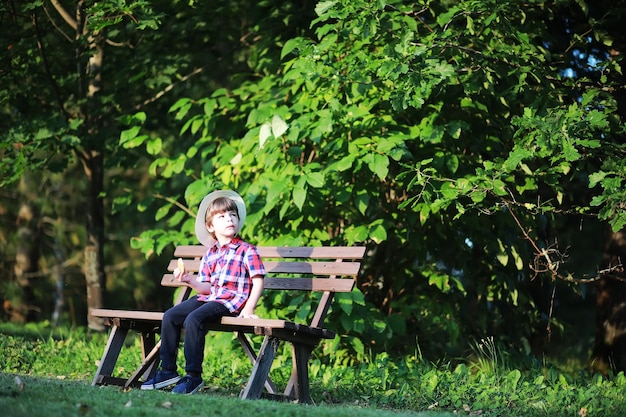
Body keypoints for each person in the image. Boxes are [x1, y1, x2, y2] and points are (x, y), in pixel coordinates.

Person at [141, 190, 265, 394]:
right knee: (171, 316)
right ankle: (168, 371)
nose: (229, 219)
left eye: (233, 215)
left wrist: (249, 307)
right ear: (211, 226)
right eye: (222, 216)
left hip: (230, 302)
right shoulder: (211, 254)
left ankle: (193, 376)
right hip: (211, 297)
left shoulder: (246, 250)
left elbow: (258, 281)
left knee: (194, 319)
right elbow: (206, 287)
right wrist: (190, 280)